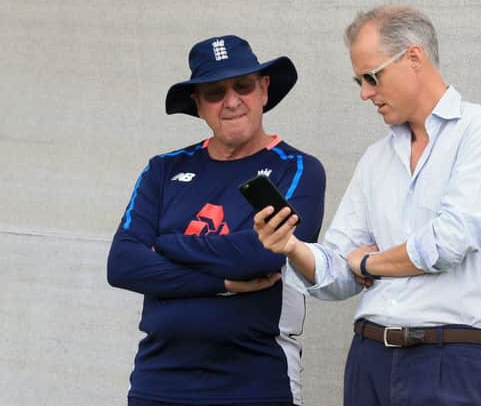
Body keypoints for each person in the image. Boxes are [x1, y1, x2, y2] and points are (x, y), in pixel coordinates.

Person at [254, 6, 481, 406]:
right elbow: (337, 272)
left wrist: (367, 264)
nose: (365, 93)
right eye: (359, 81)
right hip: (368, 358)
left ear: (414, 57)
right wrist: (291, 247)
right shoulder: (376, 158)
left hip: (449, 358)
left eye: (371, 76)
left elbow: (447, 243)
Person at [107, 35, 326, 406]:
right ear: (198, 105)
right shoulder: (165, 169)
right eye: (215, 92)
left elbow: (264, 255)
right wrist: (223, 282)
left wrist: (168, 243)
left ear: (264, 91)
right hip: (159, 381)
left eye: (243, 86)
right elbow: (124, 264)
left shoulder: (298, 169)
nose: (232, 101)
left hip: (255, 380)